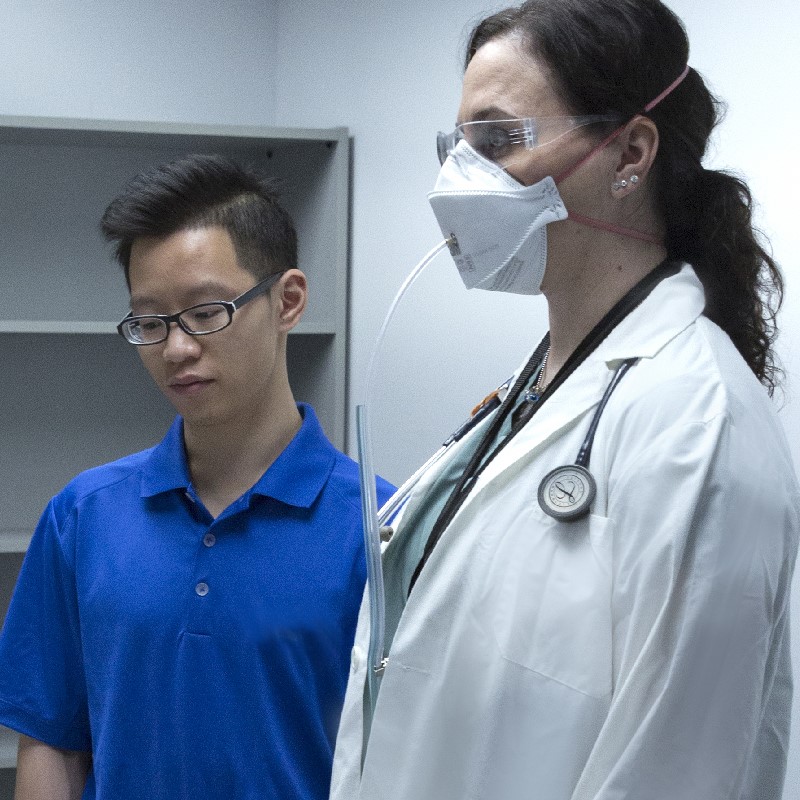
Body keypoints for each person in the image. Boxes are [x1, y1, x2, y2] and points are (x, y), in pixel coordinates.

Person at [331, 1, 799, 798]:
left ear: (631, 154)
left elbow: (673, 771)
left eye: (499, 139)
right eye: (457, 145)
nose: (458, 179)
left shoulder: (696, 425)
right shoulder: (541, 390)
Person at [0, 153, 394, 800]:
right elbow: (51, 735)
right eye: (150, 321)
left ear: (288, 301)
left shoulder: (382, 529)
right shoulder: (83, 515)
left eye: (207, 311)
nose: (176, 348)